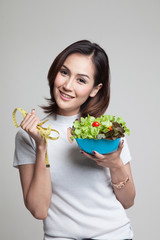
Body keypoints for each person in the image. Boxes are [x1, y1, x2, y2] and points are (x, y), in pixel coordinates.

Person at [13, 40, 136, 240]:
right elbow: (39, 210)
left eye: (81, 80)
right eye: (64, 72)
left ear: (95, 89)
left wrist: (116, 164)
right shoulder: (29, 135)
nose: (67, 86)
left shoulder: (108, 131)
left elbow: (128, 201)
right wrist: (41, 147)